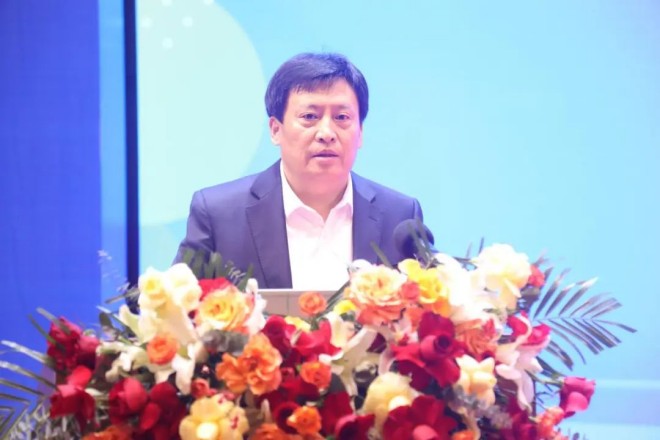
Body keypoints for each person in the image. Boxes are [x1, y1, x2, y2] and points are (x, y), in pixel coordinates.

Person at [175, 52, 424, 290]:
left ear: (360, 132)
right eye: (309, 116)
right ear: (275, 130)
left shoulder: (400, 216)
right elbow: (176, 308)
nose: (326, 133)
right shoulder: (219, 215)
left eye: (341, 117)